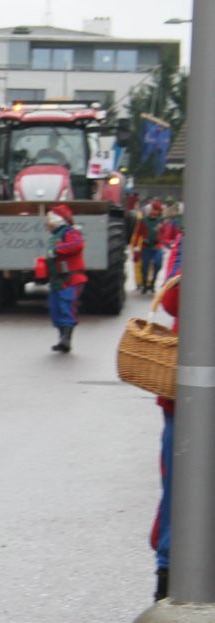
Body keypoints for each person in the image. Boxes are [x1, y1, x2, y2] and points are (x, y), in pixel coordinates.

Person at [150, 235, 181, 601]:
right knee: (179, 483)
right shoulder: (192, 241)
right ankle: (167, 572)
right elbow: (172, 300)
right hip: (187, 395)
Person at [43, 204, 87, 353]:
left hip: (70, 279)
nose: (47, 223)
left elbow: (77, 244)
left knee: (66, 307)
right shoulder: (55, 236)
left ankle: (66, 340)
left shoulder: (69, 232)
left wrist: (57, 250)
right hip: (57, 280)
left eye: (49, 219)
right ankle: (61, 338)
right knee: (56, 309)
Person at [133, 200, 164, 293]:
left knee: (158, 264)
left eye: (156, 210)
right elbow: (138, 233)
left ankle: (153, 283)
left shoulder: (161, 221)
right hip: (146, 247)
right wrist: (135, 246)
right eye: (153, 209)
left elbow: (164, 233)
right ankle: (145, 284)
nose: (154, 212)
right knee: (145, 267)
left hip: (157, 246)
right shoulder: (144, 221)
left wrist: (164, 241)